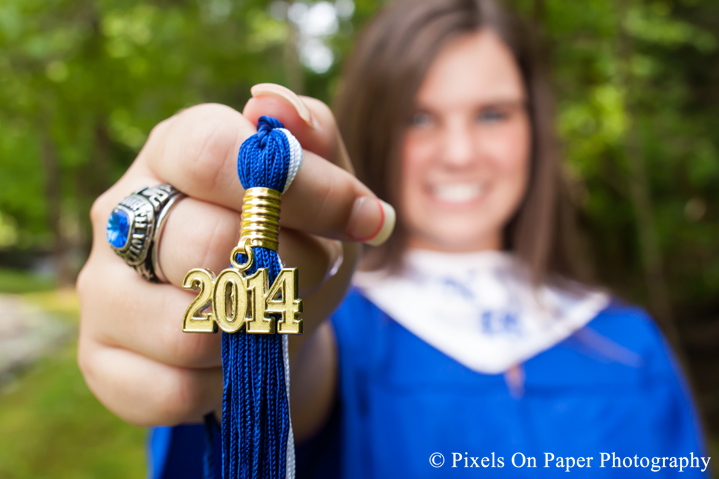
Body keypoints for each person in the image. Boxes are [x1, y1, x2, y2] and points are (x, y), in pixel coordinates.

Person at [77, 0, 709, 477]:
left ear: (535, 129)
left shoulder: (630, 346)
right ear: (379, 127)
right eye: (419, 117)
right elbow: (299, 381)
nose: (460, 153)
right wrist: (246, 324)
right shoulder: (340, 324)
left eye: (492, 114)